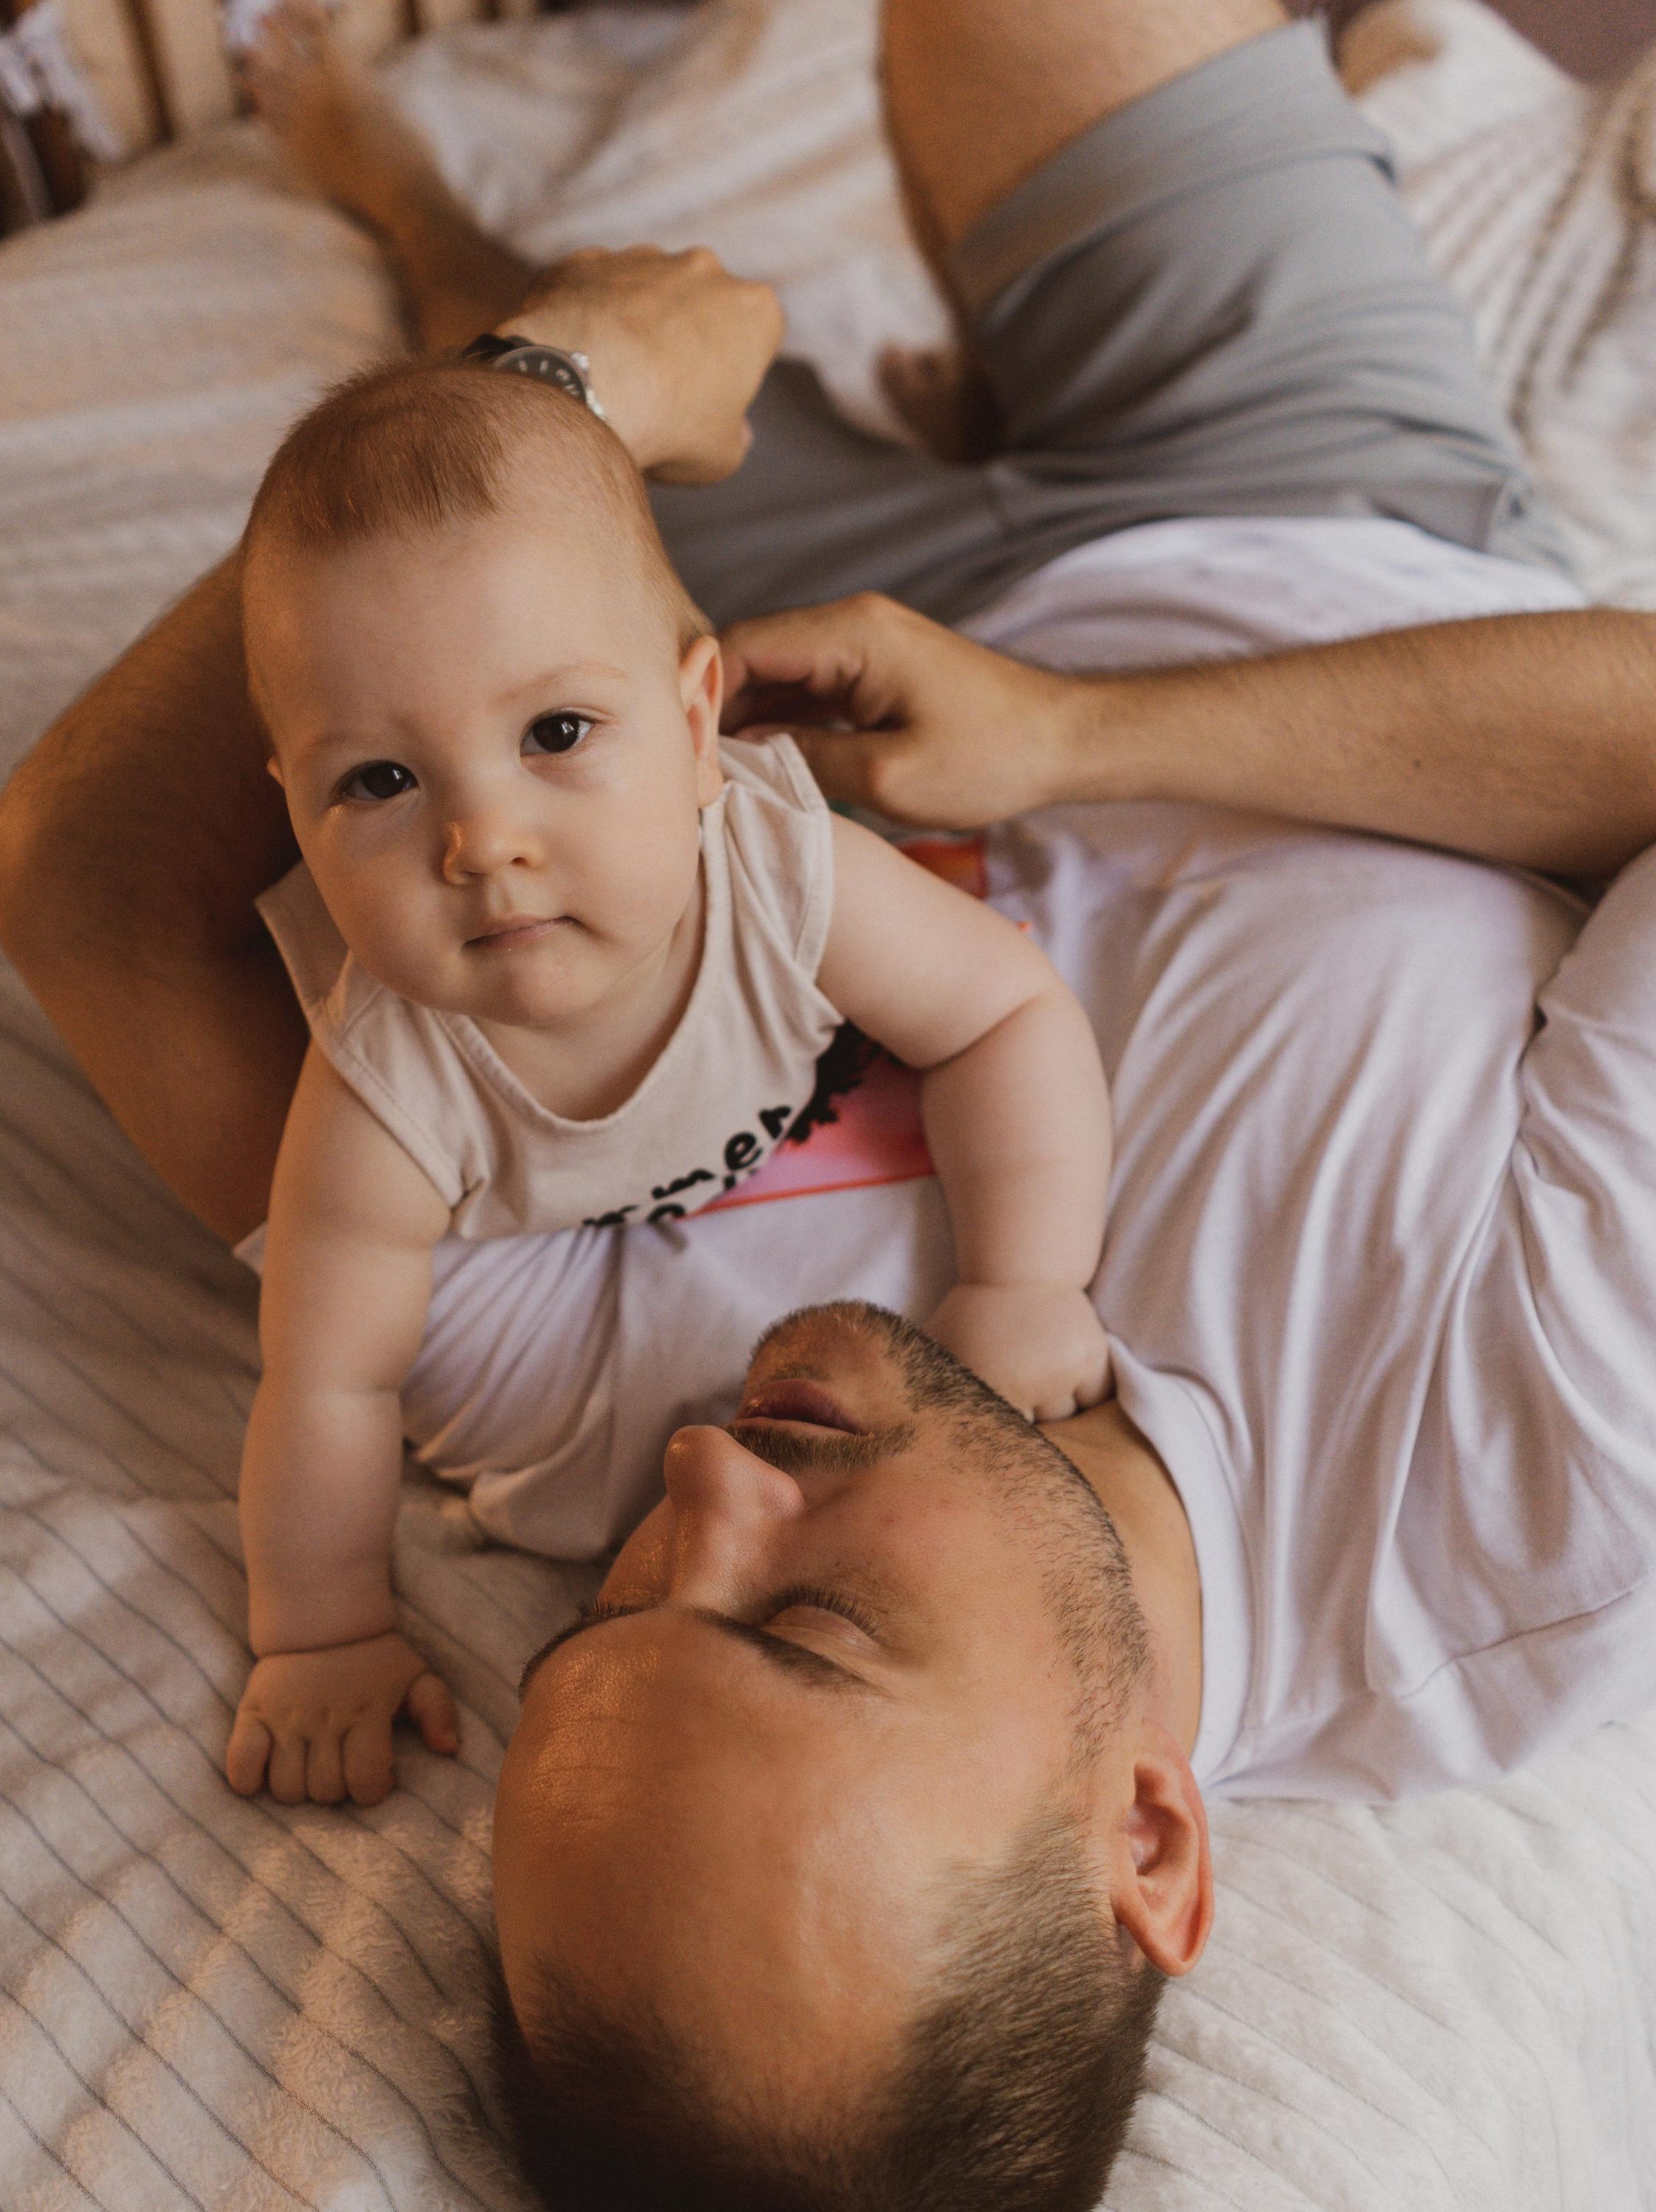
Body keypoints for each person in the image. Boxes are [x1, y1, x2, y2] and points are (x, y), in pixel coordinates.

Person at [0, 0, 1656, 2212]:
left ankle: (407, 198)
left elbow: (76, 879)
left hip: (730, 707)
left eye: (617, 1621)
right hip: (1318, 555)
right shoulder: (1538, 1486)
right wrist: (1079, 737)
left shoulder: (582, 1413)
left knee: (500, 532)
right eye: (810, 1635)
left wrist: (554, 384)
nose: (696, 1489)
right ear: (1150, 1842)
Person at [230, 357, 1111, 1804]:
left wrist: (1023, 1286)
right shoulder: (387, 1089)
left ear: (699, 726)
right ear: (293, 811)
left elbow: (1006, 1014)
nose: (481, 841)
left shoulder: (777, 875)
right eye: (378, 783)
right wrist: (317, 1631)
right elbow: (326, 1380)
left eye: (555, 735)